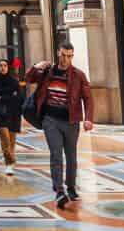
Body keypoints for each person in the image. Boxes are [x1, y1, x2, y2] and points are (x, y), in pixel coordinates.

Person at [30, 43, 95, 207]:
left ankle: (71, 187)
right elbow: (28, 79)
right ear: (58, 54)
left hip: (71, 121)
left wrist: (89, 118)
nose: (66, 59)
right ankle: (59, 191)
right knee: (56, 154)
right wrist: (36, 67)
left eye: (70, 56)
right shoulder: (47, 72)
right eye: (64, 55)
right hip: (50, 120)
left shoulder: (78, 75)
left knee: (71, 156)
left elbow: (88, 98)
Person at [0, 57, 23, 176]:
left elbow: (19, 98)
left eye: (5, 65)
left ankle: (10, 165)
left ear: (8, 67)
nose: (3, 68)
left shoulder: (14, 82)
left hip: (14, 114)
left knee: (12, 141)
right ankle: (10, 162)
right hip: (0, 115)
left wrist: (2, 98)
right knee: (5, 140)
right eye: (0, 66)